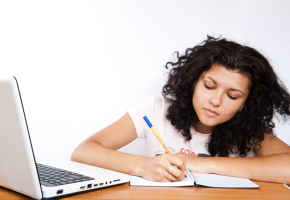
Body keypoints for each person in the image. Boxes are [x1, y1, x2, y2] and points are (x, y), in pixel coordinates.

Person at [71, 36, 290, 184]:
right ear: (193, 81)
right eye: (209, 86)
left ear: (247, 103)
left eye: (232, 96)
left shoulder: (250, 129)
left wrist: (205, 164)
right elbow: (83, 152)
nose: (215, 100)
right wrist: (143, 166)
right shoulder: (157, 109)